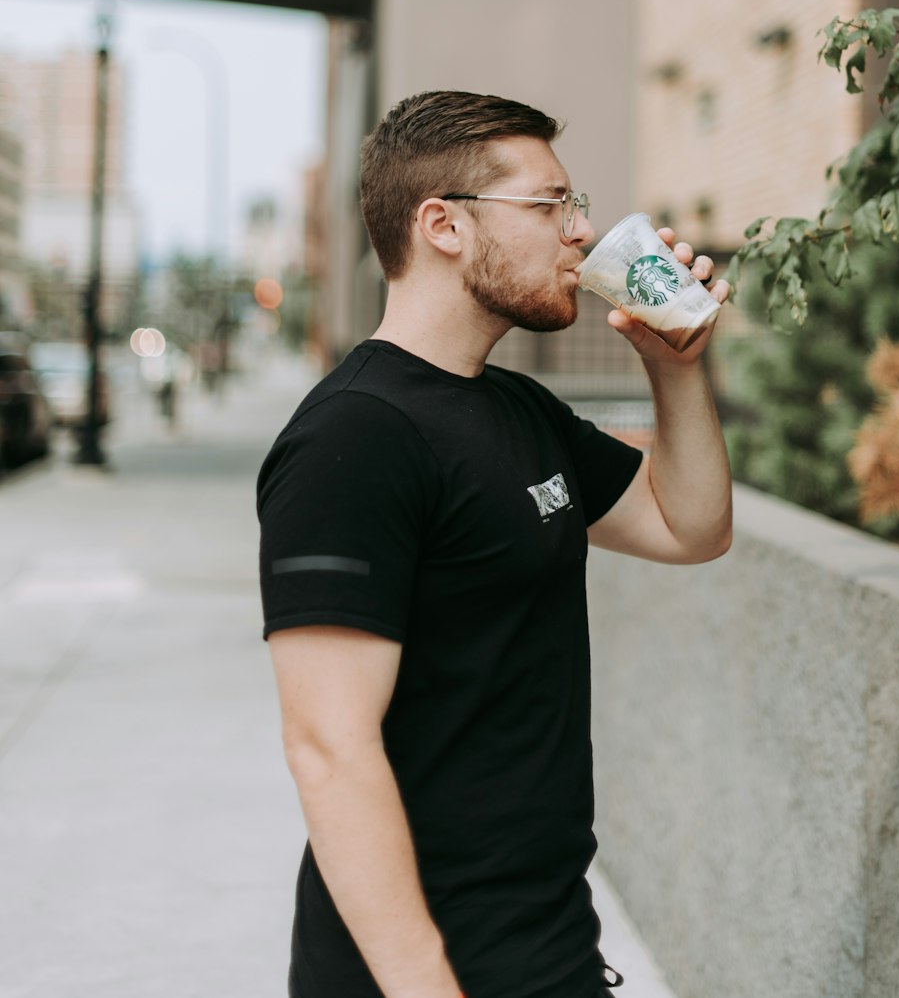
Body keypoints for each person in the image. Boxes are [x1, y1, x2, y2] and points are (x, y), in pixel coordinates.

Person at [257, 90, 733, 998]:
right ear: (443, 225)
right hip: (421, 968)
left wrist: (676, 368)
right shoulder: (350, 442)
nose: (581, 230)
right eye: (550, 204)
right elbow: (328, 745)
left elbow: (692, 528)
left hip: (546, 938)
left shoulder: (518, 410)